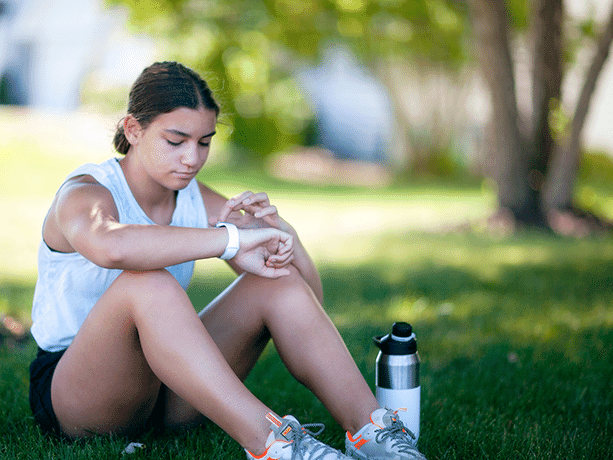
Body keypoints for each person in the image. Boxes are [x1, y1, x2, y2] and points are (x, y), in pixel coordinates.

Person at [28, 61, 426, 460]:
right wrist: (229, 240)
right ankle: (275, 444)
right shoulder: (84, 194)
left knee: (275, 282)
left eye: (204, 142)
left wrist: (281, 232)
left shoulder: (196, 199)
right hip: (79, 394)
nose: (192, 158)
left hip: (168, 391)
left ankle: (373, 433)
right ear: (133, 129)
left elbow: (304, 302)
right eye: (176, 140)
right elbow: (111, 247)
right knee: (147, 282)